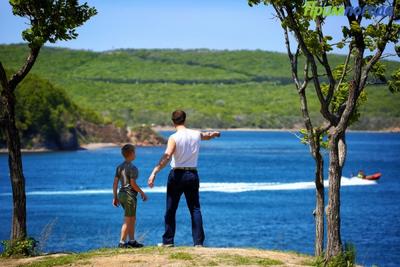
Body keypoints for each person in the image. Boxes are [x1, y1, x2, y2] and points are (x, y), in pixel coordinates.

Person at [148, 110, 221, 247]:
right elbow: (206, 135)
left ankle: (168, 242)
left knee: (171, 209)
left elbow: (167, 156)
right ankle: (198, 243)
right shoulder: (196, 134)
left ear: (172, 122)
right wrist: (215, 134)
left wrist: (154, 172)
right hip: (192, 175)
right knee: (195, 209)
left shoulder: (173, 137)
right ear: (185, 120)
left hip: (177, 175)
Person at [113, 144, 148, 248]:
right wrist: (142, 192)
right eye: (135, 152)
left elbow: (115, 183)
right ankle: (122, 242)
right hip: (129, 195)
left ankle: (132, 240)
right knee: (128, 219)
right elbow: (133, 184)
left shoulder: (119, 167)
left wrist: (115, 197)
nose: (135, 154)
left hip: (121, 194)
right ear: (132, 154)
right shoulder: (133, 168)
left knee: (132, 218)